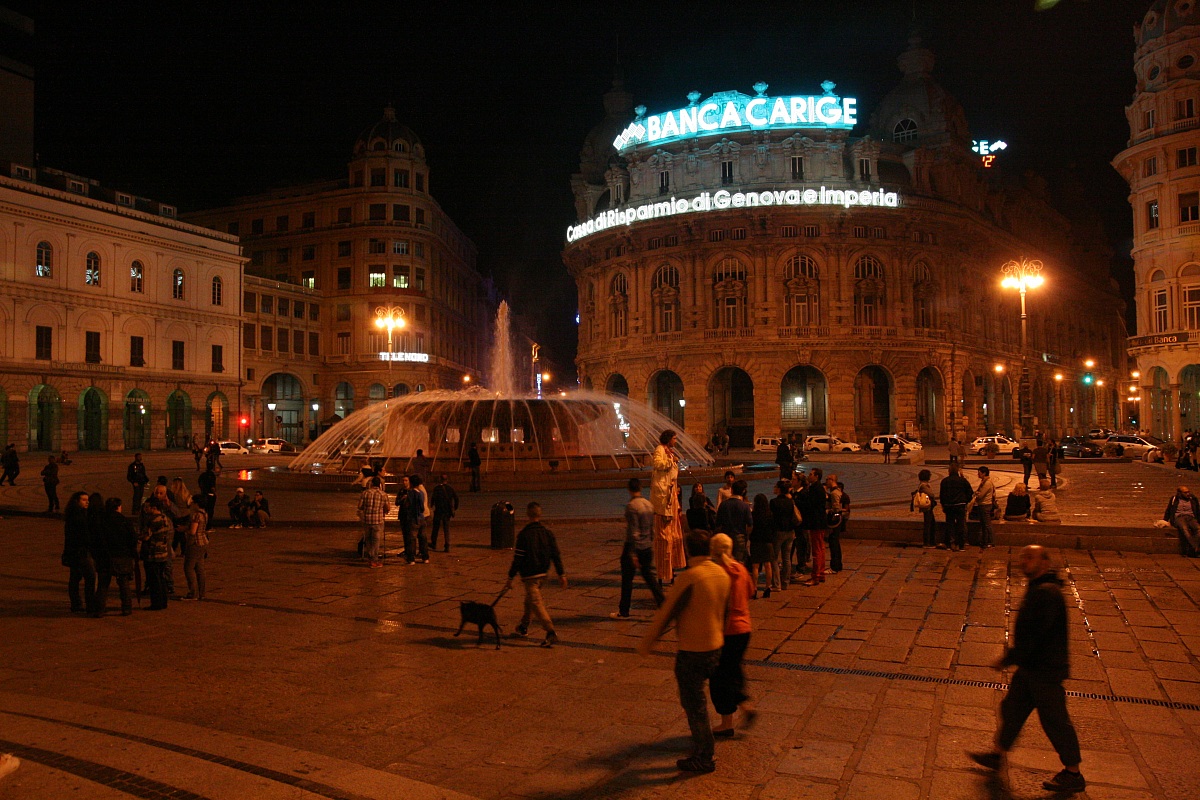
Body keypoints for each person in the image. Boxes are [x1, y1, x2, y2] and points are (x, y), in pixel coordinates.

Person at [970, 546, 1086, 794]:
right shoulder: (1039, 588)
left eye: (1030, 557)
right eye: (1022, 557)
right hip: (1030, 668)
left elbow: (1034, 635)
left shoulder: (1047, 593)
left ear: (1045, 563)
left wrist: (1008, 658)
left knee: (1055, 721)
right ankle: (997, 754)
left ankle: (1073, 773)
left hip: (1045, 671)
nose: (1024, 561)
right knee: (1012, 709)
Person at [638, 530, 731, 774]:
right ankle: (703, 746)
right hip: (716, 646)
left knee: (694, 703)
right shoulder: (721, 574)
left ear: (688, 550)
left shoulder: (691, 577)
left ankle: (704, 755)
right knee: (696, 699)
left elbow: (667, 612)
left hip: (693, 650)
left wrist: (647, 642)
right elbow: (726, 610)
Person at [708, 533, 757, 739]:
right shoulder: (741, 569)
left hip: (726, 631)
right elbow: (751, 592)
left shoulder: (718, 572)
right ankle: (745, 705)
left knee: (719, 677)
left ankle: (728, 722)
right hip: (744, 629)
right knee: (733, 670)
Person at [505, 502, 567, 647]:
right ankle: (523, 626)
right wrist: (561, 574)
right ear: (540, 514)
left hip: (530, 575)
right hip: (543, 573)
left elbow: (518, 559)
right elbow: (556, 555)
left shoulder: (524, 535)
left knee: (536, 603)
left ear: (528, 514)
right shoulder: (547, 533)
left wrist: (510, 577)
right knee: (530, 600)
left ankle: (550, 632)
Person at [611, 478, 665, 619]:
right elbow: (652, 529)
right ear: (640, 488)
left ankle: (624, 610)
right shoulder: (649, 505)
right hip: (647, 546)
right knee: (649, 577)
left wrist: (633, 553)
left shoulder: (631, 506)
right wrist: (650, 543)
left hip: (634, 547)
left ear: (629, 489)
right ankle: (663, 603)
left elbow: (633, 531)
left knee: (627, 580)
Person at [650, 430, 686, 584]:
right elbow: (657, 464)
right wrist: (671, 462)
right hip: (664, 498)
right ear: (668, 439)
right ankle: (663, 572)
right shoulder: (660, 449)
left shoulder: (669, 451)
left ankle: (671, 568)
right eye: (674, 438)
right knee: (664, 537)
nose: (675, 441)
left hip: (671, 496)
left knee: (674, 534)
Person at [97, 498, 137, 616]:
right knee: (124, 583)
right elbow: (132, 538)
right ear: (118, 507)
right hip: (122, 555)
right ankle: (126, 608)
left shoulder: (102, 521)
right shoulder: (124, 521)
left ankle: (99, 609)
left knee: (103, 584)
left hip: (105, 555)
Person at [139, 484, 174, 610]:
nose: (146, 509)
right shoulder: (165, 518)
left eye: (148, 507)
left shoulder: (153, 519)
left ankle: (156, 603)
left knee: (154, 580)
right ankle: (163, 602)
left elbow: (146, 536)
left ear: (153, 507)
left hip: (154, 553)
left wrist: (139, 537)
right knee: (161, 578)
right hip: (163, 552)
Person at [62, 491, 96, 614]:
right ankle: (89, 604)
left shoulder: (74, 514)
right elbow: (83, 535)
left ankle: (76, 603)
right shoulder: (78, 516)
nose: (87, 502)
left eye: (87, 500)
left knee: (75, 578)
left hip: (74, 551)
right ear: (77, 501)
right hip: (80, 551)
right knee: (90, 577)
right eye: (83, 500)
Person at [796, 467, 828, 584]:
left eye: (811, 474)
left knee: (817, 550)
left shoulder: (815, 488)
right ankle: (821, 573)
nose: (809, 476)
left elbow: (810, 505)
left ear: (816, 476)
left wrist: (796, 501)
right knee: (820, 548)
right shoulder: (817, 487)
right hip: (819, 522)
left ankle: (816, 576)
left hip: (816, 522)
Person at [715, 479, 752, 565]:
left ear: (731, 490)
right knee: (738, 563)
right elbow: (750, 524)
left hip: (726, 536)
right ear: (743, 491)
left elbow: (718, 523)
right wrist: (746, 535)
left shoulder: (723, 505)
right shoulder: (744, 506)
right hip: (740, 536)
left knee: (726, 562)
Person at [769, 480, 798, 589]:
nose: (774, 488)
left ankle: (776, 584)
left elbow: (771, 517)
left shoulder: (774, 502)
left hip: (778, 531)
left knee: (774, 558)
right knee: (786, 558)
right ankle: (786, 582)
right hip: (790, 531)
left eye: (776, 487)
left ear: (779, 489)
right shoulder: (790, 502)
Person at [358, 476, 391, 567]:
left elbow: (360, 506)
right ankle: (374, 560)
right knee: (376, 541)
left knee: (368, 540)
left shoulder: (365, 493)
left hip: (367, 520)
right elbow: (387, 508)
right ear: (379, 484)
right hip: (378, 521)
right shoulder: (383, 494)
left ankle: (370, 558)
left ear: (371, 484)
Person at [747, 493, 775, 597]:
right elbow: (773, 527)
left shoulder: (753, 515)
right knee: (768, 565)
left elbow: (750, 527)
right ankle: (768, 587)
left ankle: (754, 588)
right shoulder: (770, 514)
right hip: (767, 541)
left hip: (756, 541)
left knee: (755, 566)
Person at [939, 465, 973, 551]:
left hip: (949, 506)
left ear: (949, 471)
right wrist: (965, 501)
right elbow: (970, 492)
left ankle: (951, 543)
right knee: (960, 524)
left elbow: (942, 495)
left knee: (950, 524)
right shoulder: (962, 481)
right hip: (960, 505)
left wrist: (943, 504)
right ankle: (961, 545)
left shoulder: (944, 481)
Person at [182, 499, 209, 600]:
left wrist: (184, 529)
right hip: (203, 542)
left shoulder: (196, 515)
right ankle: (202, 593)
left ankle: (193, 593)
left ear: (197, 504)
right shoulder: (205, 514)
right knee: (200, 568)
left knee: (188, 568)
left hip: (195, 543)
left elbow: (193, 531)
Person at [1164, 485, 1200, 557]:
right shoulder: (1174, 499)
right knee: (1185, 530)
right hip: (1179, 517)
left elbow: (1198, 510)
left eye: (1188, 492)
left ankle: (1193, 549)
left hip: (1191, 517)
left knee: (1199, 529)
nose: (1188, 494)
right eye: (1185, 492)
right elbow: (1169, 510)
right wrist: (1165, 520)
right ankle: (1194, 549)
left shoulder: (1193, 499)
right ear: (1180, 493)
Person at [825, 474, 848, 573]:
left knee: (834, 543)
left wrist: (828, 511)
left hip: (835, 522)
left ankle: (834, 566)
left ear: (832, 480)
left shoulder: (834, 493)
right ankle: (837, 565)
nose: (826, 481)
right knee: (835, 543)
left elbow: (836, 508)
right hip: (838, 521)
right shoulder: (837, 491)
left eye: (827, 479)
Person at [430, 474, 459, 552]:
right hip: (447, 511)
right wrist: (454, 508)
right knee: (446, 528)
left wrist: (432, 506)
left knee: (435, 527)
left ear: (440, 480)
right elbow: (456, 498)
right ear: (447, 480)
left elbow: (433, 498)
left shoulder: (436, 489)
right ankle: (447, 545)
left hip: (438, 510)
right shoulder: (450, 488)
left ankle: (433, 543)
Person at [912, 469, 937, 548]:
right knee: (929, 524)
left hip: (927, 507)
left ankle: (929, 542)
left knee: (929, 523)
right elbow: (931, 494)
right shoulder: (924, 485)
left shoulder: (922, 485)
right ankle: (927, 543)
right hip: (927, 507)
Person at [973, 466, 996, 550]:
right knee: (984, 524)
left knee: (987, 524)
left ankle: (991, 542)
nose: (978, 475)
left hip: (985, 505)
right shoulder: (984, 482)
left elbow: (980, 495)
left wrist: (976, 494)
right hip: (983, 505)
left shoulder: (987, 483)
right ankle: (985, 541)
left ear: (984, 473)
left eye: (979, 473)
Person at [409, 475, 431, 561]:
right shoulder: (421, 491)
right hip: (422, 516)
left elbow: (411, 505)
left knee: (412, 537)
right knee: (423, 537)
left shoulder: (412, 492)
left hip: (416, 517)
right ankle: (425, 556)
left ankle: (411, 557)